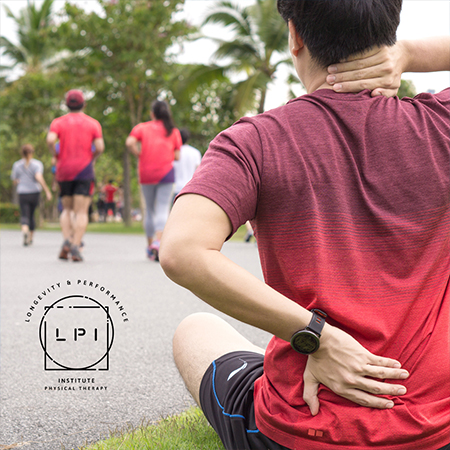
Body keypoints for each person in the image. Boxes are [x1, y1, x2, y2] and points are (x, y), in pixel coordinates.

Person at [159, 1, 450, 448]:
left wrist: (317, 337)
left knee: (194, 330)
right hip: (433, 431)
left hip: (299, 432)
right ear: (390, 29)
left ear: (295, 36)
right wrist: (408, 53)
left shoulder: (255, 140)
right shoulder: (441, 124)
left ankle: (296, 348)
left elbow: (182, 250)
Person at [46, 89, 104, 262]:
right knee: (81, 211)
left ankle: (67, 240)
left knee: (67, 209)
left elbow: (50, 140)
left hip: (64, 170)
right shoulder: (93, 123)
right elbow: (100, 147)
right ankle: (76, 245)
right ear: (83, 104)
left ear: (66, 104)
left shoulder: (58, 122)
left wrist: (56, 155)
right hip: (84, 170)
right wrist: (92, 158)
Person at [126, 100, 182, 261]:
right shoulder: (173, 131)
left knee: (149, 210)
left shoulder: (142, 127)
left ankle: (150, 245)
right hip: (165, 174)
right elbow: (177, 156)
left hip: (146, 173)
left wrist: (138, 153)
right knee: (162, 208)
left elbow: (129, 142)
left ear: (152, 113)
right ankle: (159, 242)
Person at [11, 144, 52, 246]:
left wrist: (19, 181)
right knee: (32, 214)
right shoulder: (37, 164)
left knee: (25, 214)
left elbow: (14, 180)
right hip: (34, 192)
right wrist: (47, 190)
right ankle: (30, 237)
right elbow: (39, 177)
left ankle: (25, 230)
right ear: (32, 152)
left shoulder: (17, 165)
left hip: (22, 192)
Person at [173, 128, 202, 199]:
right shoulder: (195, 152)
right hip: (190, 188)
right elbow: (198, 171)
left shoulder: (174, 152)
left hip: (175, 188)